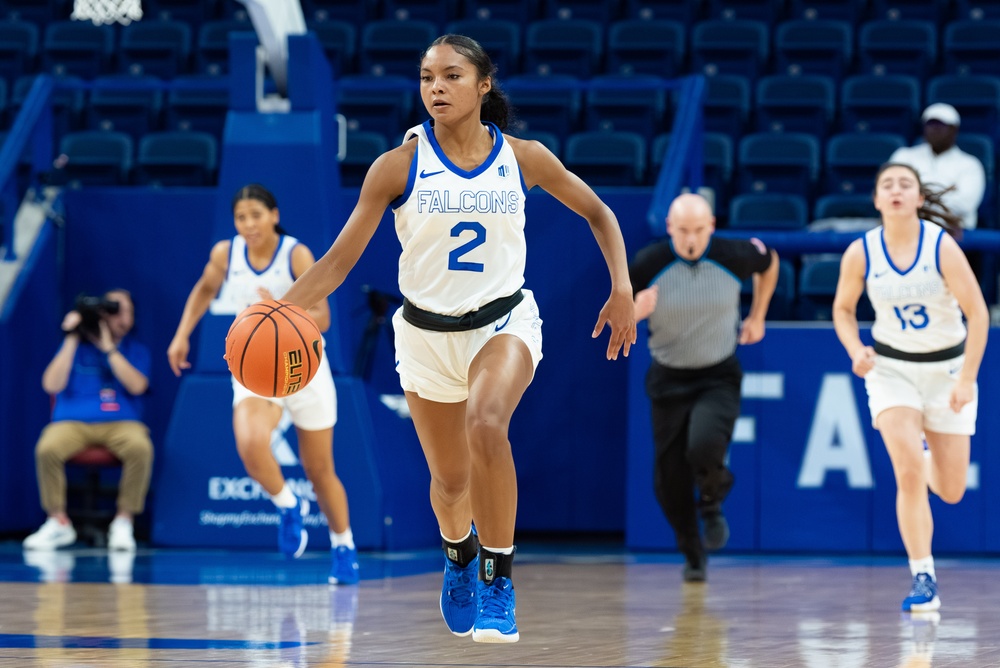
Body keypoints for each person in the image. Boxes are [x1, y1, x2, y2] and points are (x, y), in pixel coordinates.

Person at [280, 34, 636, 643]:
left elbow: (600, 213)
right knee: (449, 483)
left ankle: (499, 580)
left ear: (483, 84)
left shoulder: (524, 158)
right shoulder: (398, 165)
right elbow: (339, 260)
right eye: (426, 78)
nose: (436, 87)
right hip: (424, 335)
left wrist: (622, 287)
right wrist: (280, 311)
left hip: (504, 321)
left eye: (450, 75)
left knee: (486, 424)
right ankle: (459, 553)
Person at [167, 184, 359, 586]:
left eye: (256, 214)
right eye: (241, 216)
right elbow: (204, 290)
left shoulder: (296, 254)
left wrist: (280, 309)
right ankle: (288, 507)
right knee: (251, 442)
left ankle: (343, 546)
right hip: (255, 368)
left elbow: (322, 318)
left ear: (274, 214)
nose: (248, 224)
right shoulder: (226, 253)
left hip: (303, 365)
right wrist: (182, 333)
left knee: (320, 469)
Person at [832, 163, 988, 613]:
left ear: (919, 198)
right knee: (906, 474)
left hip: (946, 372)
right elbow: (843, 309)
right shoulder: (861, 252)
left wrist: (967, 379)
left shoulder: (941, 246)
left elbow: (977, 314)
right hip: (891, 369)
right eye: (887, 184)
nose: (896, 190)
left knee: (952, 488)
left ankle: (925, 453)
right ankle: (924, 575)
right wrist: (854, 349)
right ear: (877, 200)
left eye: (905, 184)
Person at [628, 193, 779, 583]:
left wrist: (758, 315)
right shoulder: (648, 263)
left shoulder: (733, 255)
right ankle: (692, 550)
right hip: (668, 378)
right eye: (682, 232)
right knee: (668, 481)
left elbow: (770, 262)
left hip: (718, 375)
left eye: (698, 230)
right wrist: (633, 311)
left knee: (705, 444)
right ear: (669, 229)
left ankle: (711, 502)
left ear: (711, 226)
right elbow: (614, 315)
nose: (691, 240)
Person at [23, 288, 153, 552]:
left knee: (141, 447)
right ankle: (57, 521)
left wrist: (109, 349)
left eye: (123, 310)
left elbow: (138, 386)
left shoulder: (135, 350)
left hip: (121, 424)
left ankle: (123, 521)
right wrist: (72, 337)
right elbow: (50, 383)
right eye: (112, 309)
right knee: (47, 447)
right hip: (73, 424)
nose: (118, 316)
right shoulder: (75, 347)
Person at [889, 103, 986, 231]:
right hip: (907, 229)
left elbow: (965, 205)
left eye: (940, 125)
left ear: (953, 129)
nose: (934, 129)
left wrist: (918, 198)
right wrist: (942, 196)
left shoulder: (970, 164)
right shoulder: (904, 156)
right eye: (930, 124)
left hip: (953, 233)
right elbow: (890, 193)